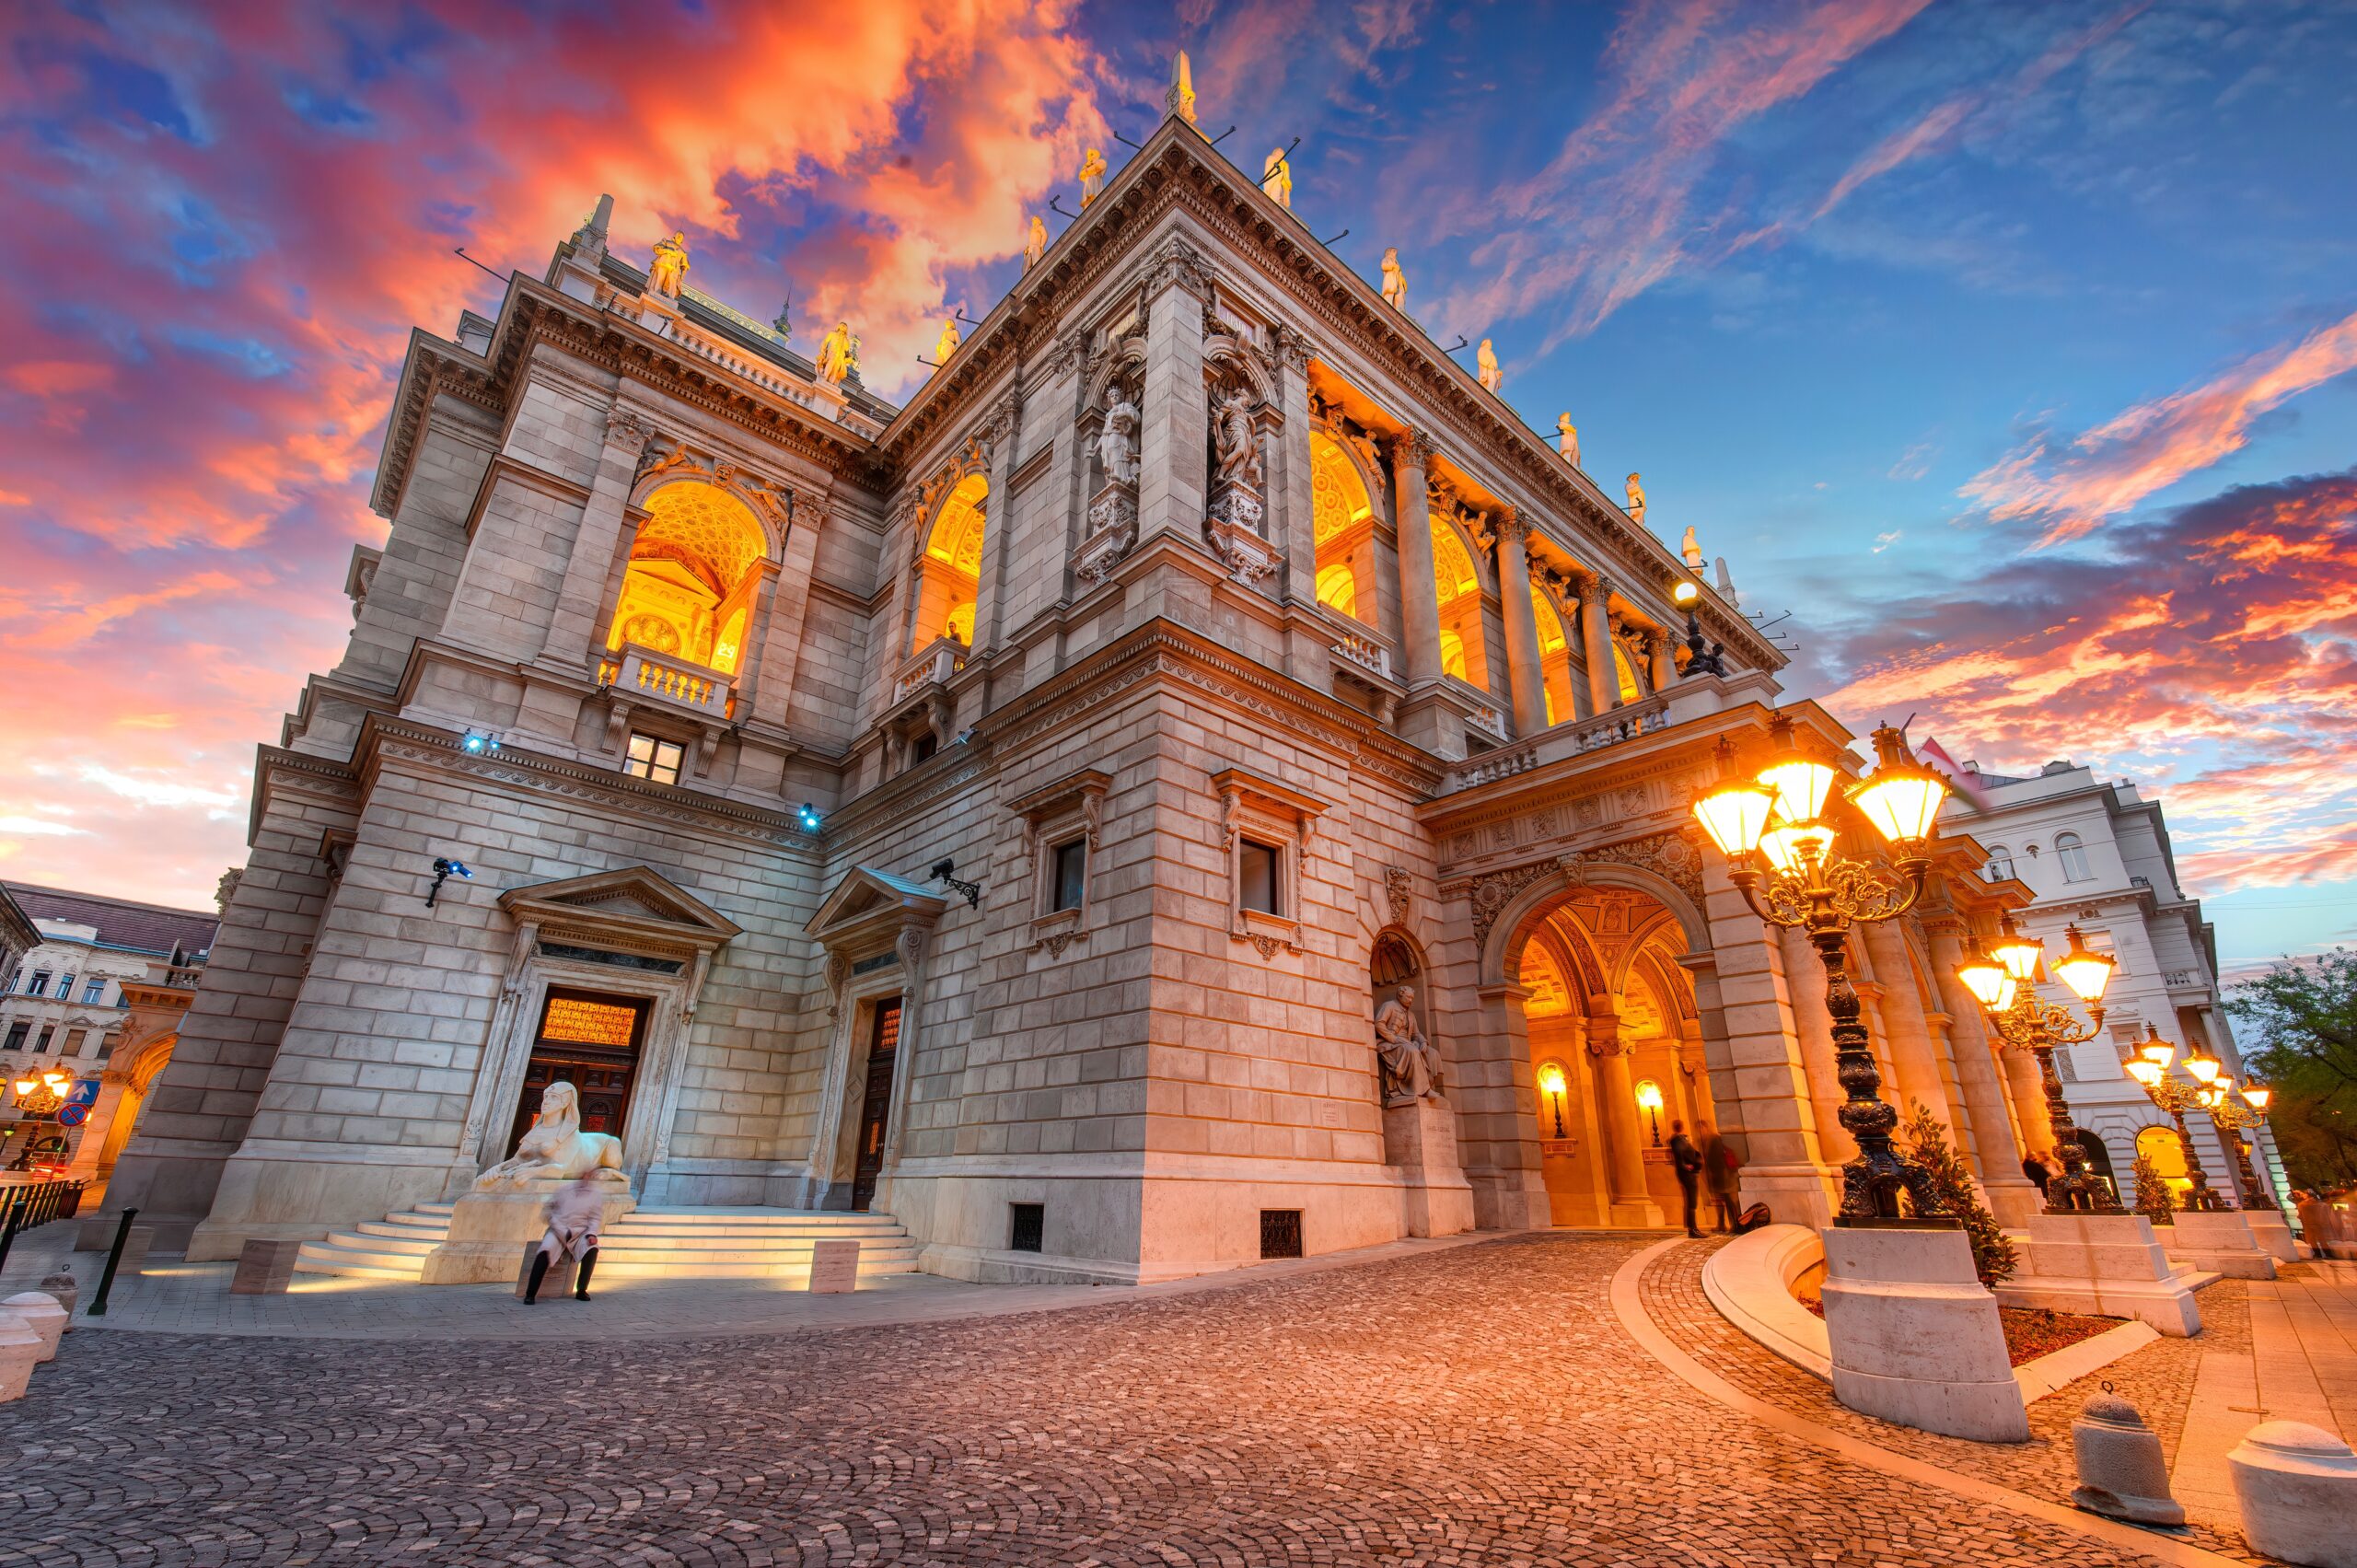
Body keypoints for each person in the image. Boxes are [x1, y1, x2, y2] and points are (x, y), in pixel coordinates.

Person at [525, 1173, 605, 1305]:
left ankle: (581, 1290)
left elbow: (595, 1218)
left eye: (590, 1175)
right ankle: (530, 1293)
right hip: (558, 1229)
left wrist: (591, 1234)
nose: (587, 1178)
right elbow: (548, 1211)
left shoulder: (596, 1194)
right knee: (545, 1250)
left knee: (592, 1249)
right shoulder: (564, 1189)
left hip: (580, 1232)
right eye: (585, 1175)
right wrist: (559, 1227)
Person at [1698, 1121, 1742, 1233]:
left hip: (1723, 1177)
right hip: (1718, 1177)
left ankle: (1734, 1225)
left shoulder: (1714, 1139)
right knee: (1720, 1202)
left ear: (1705, 1127)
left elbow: (1716, 1159)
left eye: (1701, 1128)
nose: (1700, 1131)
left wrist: (1712, 1173)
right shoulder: (1706, 1141)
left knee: (1729, 1201)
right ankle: (1721, 1224)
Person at [1666, 1120, 1704, 1237]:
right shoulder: (1677, 1140)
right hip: (1687, 1174)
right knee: (1692, 1201)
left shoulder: (1681, 1139)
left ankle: (1693, 1228)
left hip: (1689, 1173)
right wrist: (1685, 1166)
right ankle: (1693, 1229)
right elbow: (1679, 1155)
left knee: (1692, 1201)